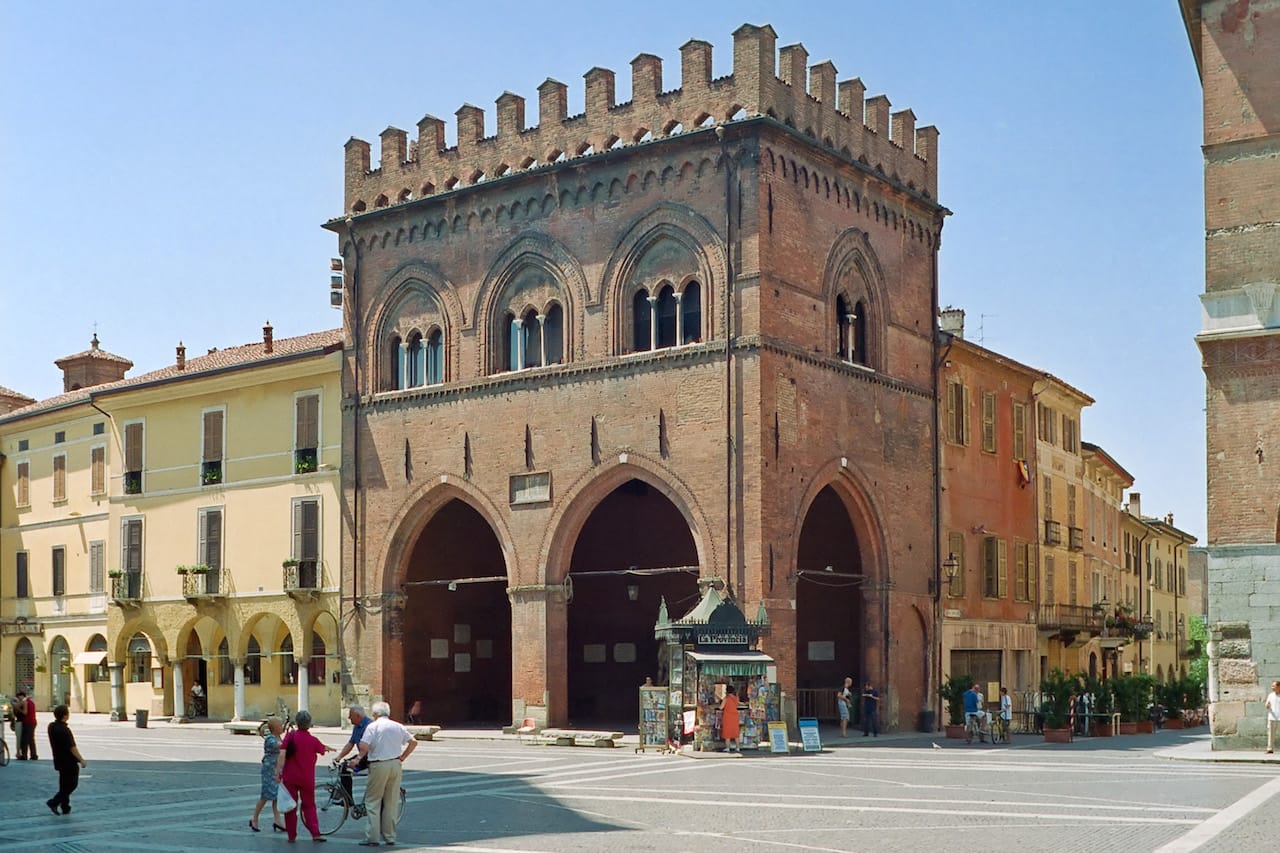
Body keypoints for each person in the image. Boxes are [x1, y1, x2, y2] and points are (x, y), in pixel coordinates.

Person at [356, 701, 417, 847]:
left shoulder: (373, 726)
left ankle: (373, 837)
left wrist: (357, 759)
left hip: (378, 764)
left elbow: (364, 747)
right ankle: (390, 836)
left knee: (373, 801)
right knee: (391, 801)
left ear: (376, 714)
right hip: (395, 764)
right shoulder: (397, 726)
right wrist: (403, 757)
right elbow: (413, 742)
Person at [274, 709, 331, 843]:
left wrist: (278, 772)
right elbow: (322, 749)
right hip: (307, 778)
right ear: (309, 724)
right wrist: (327, 748)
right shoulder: (313, 740)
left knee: (290, 806)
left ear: (297, 723)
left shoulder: (290, 736)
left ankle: (292, 835)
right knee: (309, 805)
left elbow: (282, 754)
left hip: (290, 777)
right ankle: (315, 833)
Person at [46, 704, 86, 815]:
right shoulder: (64, 730)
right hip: (69, 761)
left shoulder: (51, 727)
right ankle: (54, 802)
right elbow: (72, 747)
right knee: (72, 784)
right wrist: (81, 760)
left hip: (58, 759)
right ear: (65, 716)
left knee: (64, 784)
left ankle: (65, 806)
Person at [250, 717, 285, 833]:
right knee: (265, 796)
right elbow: (280, 746)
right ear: (274, 728)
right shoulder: (270, 739)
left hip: (277, 770)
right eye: (280, 725)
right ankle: (254, 818)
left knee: (276, 796)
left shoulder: (278, 737)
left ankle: (277, 820)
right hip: (269, 770)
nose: (282, 726)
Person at [334, 704, 371, 800]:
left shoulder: (369, 726)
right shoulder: (357, 726)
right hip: (362, 755)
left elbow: (368, 747)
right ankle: (347, 798)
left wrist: (357, 760)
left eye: (351, 716)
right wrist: (339, 757)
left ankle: (347, 798)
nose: (349, 718)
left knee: (347, 767)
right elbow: (350, 743)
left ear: (358, 716)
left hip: (370, 756)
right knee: (344, 767)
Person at [718, 685, 741, 753]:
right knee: (735, 732)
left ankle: (728, 747)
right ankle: (738, 747)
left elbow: (721, 707)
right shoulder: (736, 698)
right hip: (735, 716)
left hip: (727, 717)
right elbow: (737, 705)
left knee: (727, 732)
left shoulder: (726, 698)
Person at [18, 691, 38, 760]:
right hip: (33, 722)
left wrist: (18, 708)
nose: (19, 699)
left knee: (24, 740)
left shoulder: (25, 702)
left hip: (27, 722)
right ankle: (34, 755)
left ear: (22, 696)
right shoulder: (31, 702)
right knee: (31, 739)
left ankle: (24, 755)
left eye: (19, 697)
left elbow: (25, 712)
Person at [1265, 681, 1280, 755]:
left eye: (1274, 686)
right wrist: (1267, 705)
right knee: (1271, 734)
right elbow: (1267, 705)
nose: (1272, 688)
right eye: (1272, 686)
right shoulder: (1270, 695)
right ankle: (1270, 748)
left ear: (1278, 687)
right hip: (1272, 717)